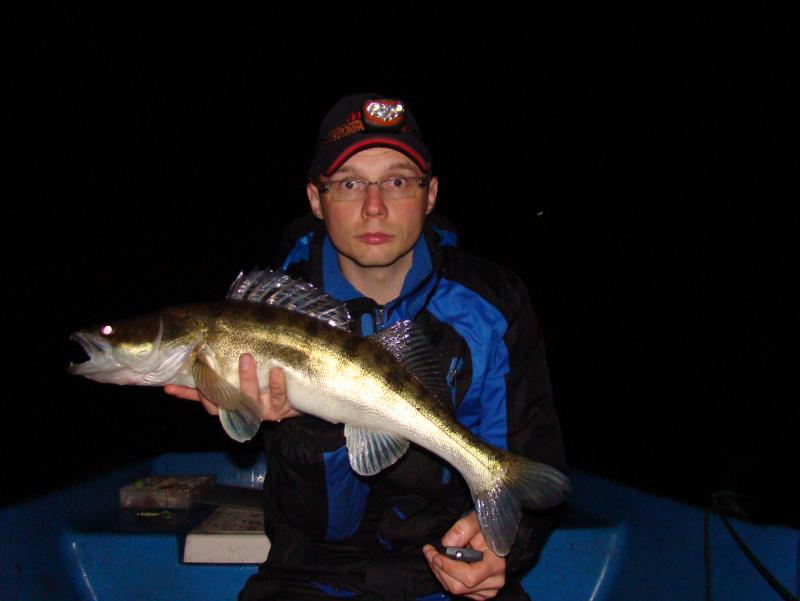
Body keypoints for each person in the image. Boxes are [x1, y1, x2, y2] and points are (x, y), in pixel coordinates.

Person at [166, 93, 567, 600]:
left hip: (448, 567)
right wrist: (306, 425)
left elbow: (527, 464)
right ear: (316, 199)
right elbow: (309, 529)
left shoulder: (493, 305)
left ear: (430, 194)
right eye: (350, 183)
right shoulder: (275, 315)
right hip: (312, 579)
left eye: (397, 182)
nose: (374, 207)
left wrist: (504, 546)